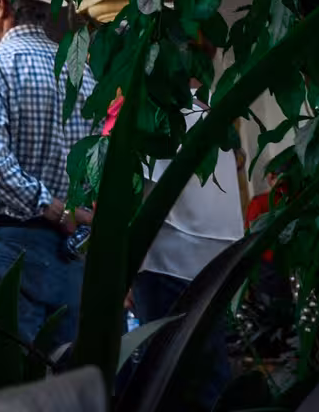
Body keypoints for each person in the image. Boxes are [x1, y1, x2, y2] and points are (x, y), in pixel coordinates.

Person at [0, 0, 97, 347]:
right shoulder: (80, 72)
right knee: (67, 376)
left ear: (3, 6)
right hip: (71, 252)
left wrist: (52, 207)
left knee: (18, 377)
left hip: (13, 249)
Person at [129, 90, 244, 407]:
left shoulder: (158, 110)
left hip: (166, 260)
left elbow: (141, 194)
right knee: (209, 373)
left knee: (164, 379)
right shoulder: (217, 111)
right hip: (216, 261)